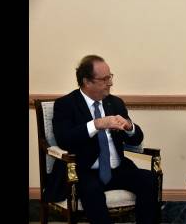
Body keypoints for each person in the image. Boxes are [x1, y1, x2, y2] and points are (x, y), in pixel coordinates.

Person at [50, 55, 158, 224]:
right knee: (91, 191)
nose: (110, 83)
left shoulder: (115, 103)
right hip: (84, 170)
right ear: (87, 81)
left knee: (148, 180)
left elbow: (136, 140)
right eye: (104, 79)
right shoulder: (66, 104)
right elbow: (64, 139)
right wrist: (96, 124)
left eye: (110, 77)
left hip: (118, 169)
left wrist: (129, 127)